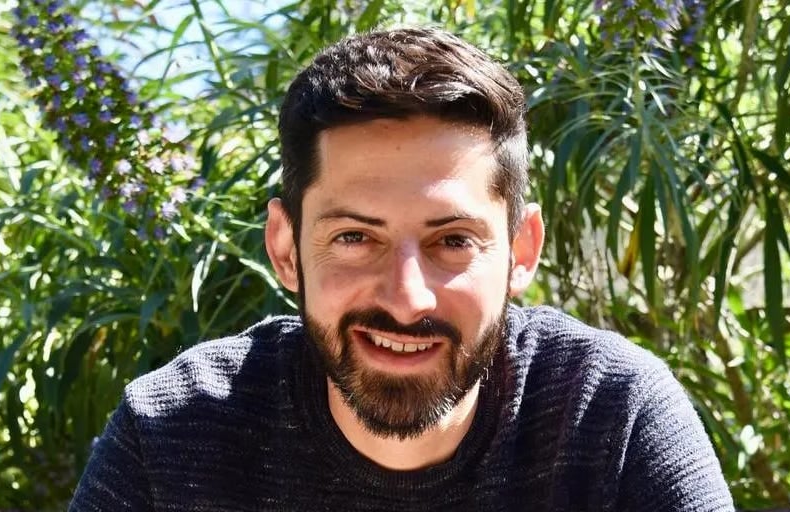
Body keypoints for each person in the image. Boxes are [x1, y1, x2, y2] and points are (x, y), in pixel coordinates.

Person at [69, 27, 735, 511]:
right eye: (356, 237)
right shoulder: (171, 437)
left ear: (521, 251)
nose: (407, 298)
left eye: (453, 241)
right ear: (285, 248)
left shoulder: (613, 419)